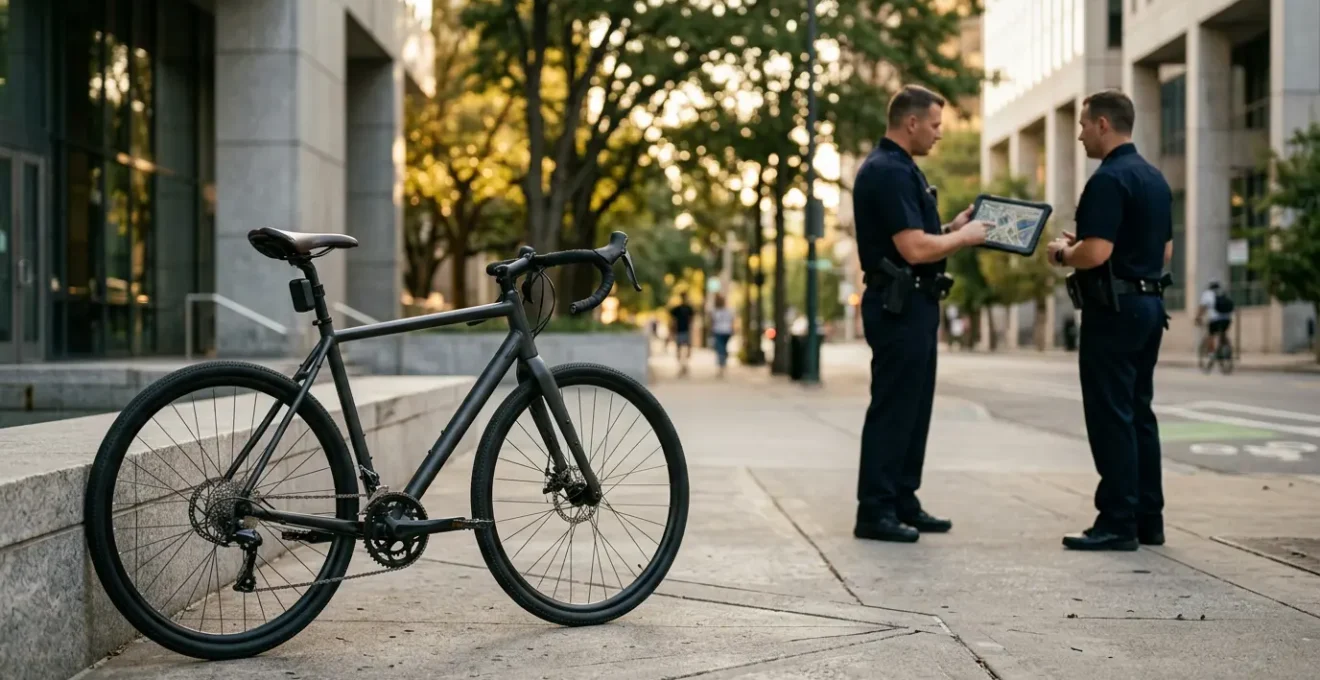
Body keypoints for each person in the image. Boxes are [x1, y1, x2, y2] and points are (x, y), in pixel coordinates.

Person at [851, 84, 990, 543]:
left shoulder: (900, 169)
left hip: (914, 304)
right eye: (934, 125)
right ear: (910, 123)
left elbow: (920, 237)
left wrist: (951, 227)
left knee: (914, 408)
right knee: (895, 408)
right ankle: (876, 510)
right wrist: (964, 239)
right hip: (899, 305)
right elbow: (913, 247)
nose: (939, 135)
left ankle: (902, 500)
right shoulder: (887, 171)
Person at [1046, 89, 1173, 551]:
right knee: (1140, 411)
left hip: (1114, 311)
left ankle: (1116, 521)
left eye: (1082, 125)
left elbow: (1096, 253)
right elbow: (1164, 250)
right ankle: (1148, 519)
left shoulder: (1108, 180)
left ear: (1103, 124)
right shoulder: (1154, 179)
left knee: (1110, 414)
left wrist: (1065, 253)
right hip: (1149, 305)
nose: (1079, 134)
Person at [1196, 281, 1233, 357]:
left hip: (1215, 319)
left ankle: (1211, 352)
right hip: (1227, 319)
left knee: (1211, 334)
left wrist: (1198, 317)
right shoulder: (1223, 292)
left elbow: (1202, 308)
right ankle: (1228, 350)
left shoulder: (1207, 294)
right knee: (1223, 333)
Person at [710, 294, 736, 377]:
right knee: (723, 348)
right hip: (726, 331)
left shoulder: (715, 311)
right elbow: (732, 321)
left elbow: (712, 322)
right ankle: (723, 365)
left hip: (719, 331)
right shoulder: (729, 311)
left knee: (720, 349)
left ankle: (721, 366)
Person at [670, 293, 695, 377]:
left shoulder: (689, 309)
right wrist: (673, 330)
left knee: (687, 349)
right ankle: (681, 365)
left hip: (686, 331)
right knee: (679, 349)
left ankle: (685, 365)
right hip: (679, 331)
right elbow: (673, 321)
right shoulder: (677, 309)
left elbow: (692, 320)